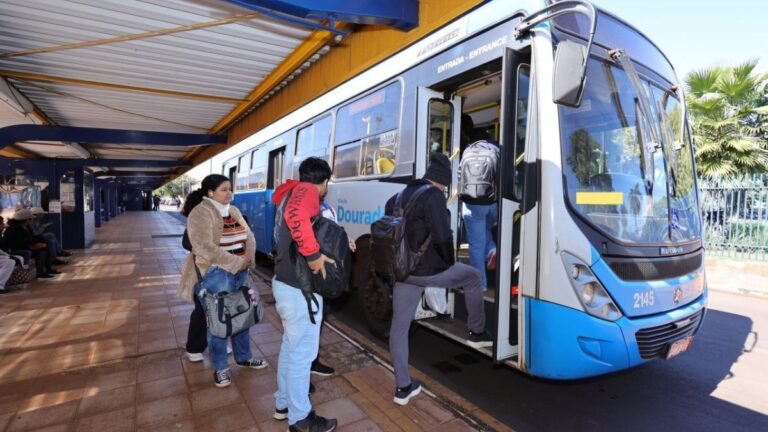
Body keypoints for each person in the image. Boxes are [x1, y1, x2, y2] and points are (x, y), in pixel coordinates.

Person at [384, 152, 492, 406]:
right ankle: (477, 330)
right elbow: (443, 238)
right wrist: (447, 263)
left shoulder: (398, 196)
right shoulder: (433, 196)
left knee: (399, 326)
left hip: (402, 271)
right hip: (427, 270)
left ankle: (403, 387)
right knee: (473, 277)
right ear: (442, 181)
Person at [177, 174, 267, 388]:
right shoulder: (201, 213)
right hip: (216, 274)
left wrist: (246, 260)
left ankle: (244, 357)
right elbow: (203, 247)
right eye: (224, 189)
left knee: (242, 315)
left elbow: (249, 236)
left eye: (230, 189)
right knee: (218, 323)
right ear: (210, 193)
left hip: (239, 271)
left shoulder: (233, 211)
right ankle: (220, 368)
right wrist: (236, 262)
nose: (230, 193)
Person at [270, 157, 337, 432]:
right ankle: (300, 419)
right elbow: (297, 218)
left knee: (290, 348)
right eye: (327, 183)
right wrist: (314, 255)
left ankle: (283, 402)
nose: (326, 189)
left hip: (284, 283)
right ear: (323, 181)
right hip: (300, 289)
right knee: (302, 356)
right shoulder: (308, 191)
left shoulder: (289, 191)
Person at [459, 115, 499, 290]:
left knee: (476, 244)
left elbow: (460, 178)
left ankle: (480, 285)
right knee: (485, 228)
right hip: (494, 203)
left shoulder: (467, 151)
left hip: (474, 204)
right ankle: (492, 250)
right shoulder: (498, 148)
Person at [2, 209, 58, 279]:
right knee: (40, 251)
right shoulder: (13, 229)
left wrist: (40, 243)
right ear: (25, 220)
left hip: (25, 246)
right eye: (31, 219)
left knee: (45, 246)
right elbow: (16, 244)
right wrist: (32, 246)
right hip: (16, 249)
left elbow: (31, 237)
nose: (32, 220)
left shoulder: (26, 227)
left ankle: (48, 269)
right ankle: (40, 273)